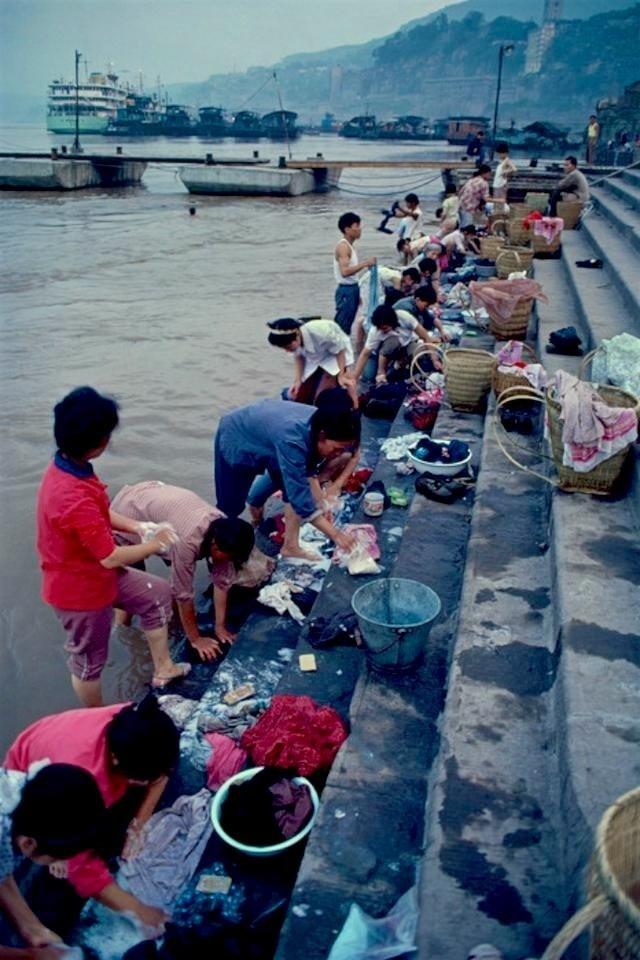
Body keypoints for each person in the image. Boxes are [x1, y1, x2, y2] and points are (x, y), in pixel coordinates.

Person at [36, 387, 189, 707]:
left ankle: (163, 667)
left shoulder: (68, 465)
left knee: (157, 593)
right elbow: (110, 556)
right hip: (78, 592)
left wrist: (137, 526)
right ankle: (96, 717)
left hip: (93, 571)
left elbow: (100, 510)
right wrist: (154, 544)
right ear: (99, 443)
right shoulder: (71, 497)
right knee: (90, 662)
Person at [4, 696, 178, 933]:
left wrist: (138, 825)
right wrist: (139, 910)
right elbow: (83, 868)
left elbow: (160, 775)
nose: (148, 782)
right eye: (142, 778)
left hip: (58, 757)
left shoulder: (135, 721)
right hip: (37, 772)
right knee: (73, 860)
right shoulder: (81, 778)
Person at [214, 389, 359, 561]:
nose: (337, 454)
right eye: (337, 449)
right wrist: (336, 535)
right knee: (230, 506)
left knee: (291, 490)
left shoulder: (322, 421)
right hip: (237, 436)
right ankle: (218, 551)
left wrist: (321, 505)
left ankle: (290, 546)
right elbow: (300, 496)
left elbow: (307, 471)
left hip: (270, 436)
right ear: (322, 436)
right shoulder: (292, 439)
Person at [110, 482, 254, 652]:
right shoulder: (189, 541)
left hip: (157, 504)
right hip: (129, 510)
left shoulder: (224, 528)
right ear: (214, 546)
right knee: (134, 582)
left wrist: (220, 627)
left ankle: (170, 619)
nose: (227, 562)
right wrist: (196, 639)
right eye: (227, 557)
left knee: (174, 582)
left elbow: (222, 581)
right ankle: (121, 632)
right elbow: (183, 594)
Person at [0, 763, 105, 957]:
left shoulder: (19, 791)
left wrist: (32, 928)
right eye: (57, 857)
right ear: (28, 844)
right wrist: (29, 956)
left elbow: (1, 869)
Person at [266, 317, 356, 406]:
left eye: (288, 347)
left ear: (297, 335)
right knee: (299, 395)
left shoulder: (322, 332)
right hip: (314, 355)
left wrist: (341, 376)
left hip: (335, 355)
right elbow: (298, 356)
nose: (287, 351)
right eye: (284, 348)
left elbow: (340, 351)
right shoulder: (293, 340)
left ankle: (353, 406)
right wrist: (298, 381)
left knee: (321, 396)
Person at [352, 303, 439, 385]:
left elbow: (426, 337)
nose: (381, 330)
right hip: (382, 353)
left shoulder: (404, 317)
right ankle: (384, 369)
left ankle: (400, 364)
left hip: (406, 345)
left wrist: (434, 360)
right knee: (369, 376)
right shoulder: (375, 331)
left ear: (393, 322)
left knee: (420, 353)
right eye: (380, 328)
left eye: (385, 328)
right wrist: (355, 378)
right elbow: (365, 354)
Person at [333, 213, 376, 335]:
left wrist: (357, 293)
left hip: (352, 288)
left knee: (347, 325)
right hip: (346, 290)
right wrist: (365, 263)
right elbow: (345, 272)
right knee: (342, 328)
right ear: (347, 229)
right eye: (356, 226)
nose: (360, 229)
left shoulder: (350, 246)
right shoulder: (343, 247)